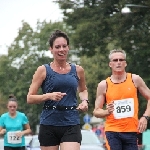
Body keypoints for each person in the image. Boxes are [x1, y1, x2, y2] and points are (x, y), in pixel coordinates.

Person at [27, 30, 88, 150]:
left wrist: (85, 101)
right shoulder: (43, 70)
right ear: (51, 49)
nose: (61, 50)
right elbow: (30, 98)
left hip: (71, 121)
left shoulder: (78, 70)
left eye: (64, 46)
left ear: (68, 47)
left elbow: (82, 90)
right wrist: (49, 96)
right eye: (57, 47)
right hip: (49, 122)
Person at [93, 49, 150, 150]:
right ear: (110, 64)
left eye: (121, 60)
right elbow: (96, 111)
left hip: (131, 130)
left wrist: (145, 117)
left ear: (125, 63)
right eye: (115, 60)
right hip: (112, 131)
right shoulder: (104, 85)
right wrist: (107, 112)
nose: (118, 62)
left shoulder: (135, 79)